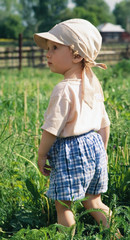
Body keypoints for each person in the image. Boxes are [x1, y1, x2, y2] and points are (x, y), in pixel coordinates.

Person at [34, 19, 121, 237]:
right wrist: (103, 152)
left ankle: (69, 236)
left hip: (70, 151)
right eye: (48, 48)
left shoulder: (63, 89)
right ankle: (117, 234)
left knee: (63, 205)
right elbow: (105, 124)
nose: (48, 53)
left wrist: (41, 154)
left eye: (55, 47)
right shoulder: (92, 84)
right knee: (94, 201)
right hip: (95, 146)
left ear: (76, 55)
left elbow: (51, 129)